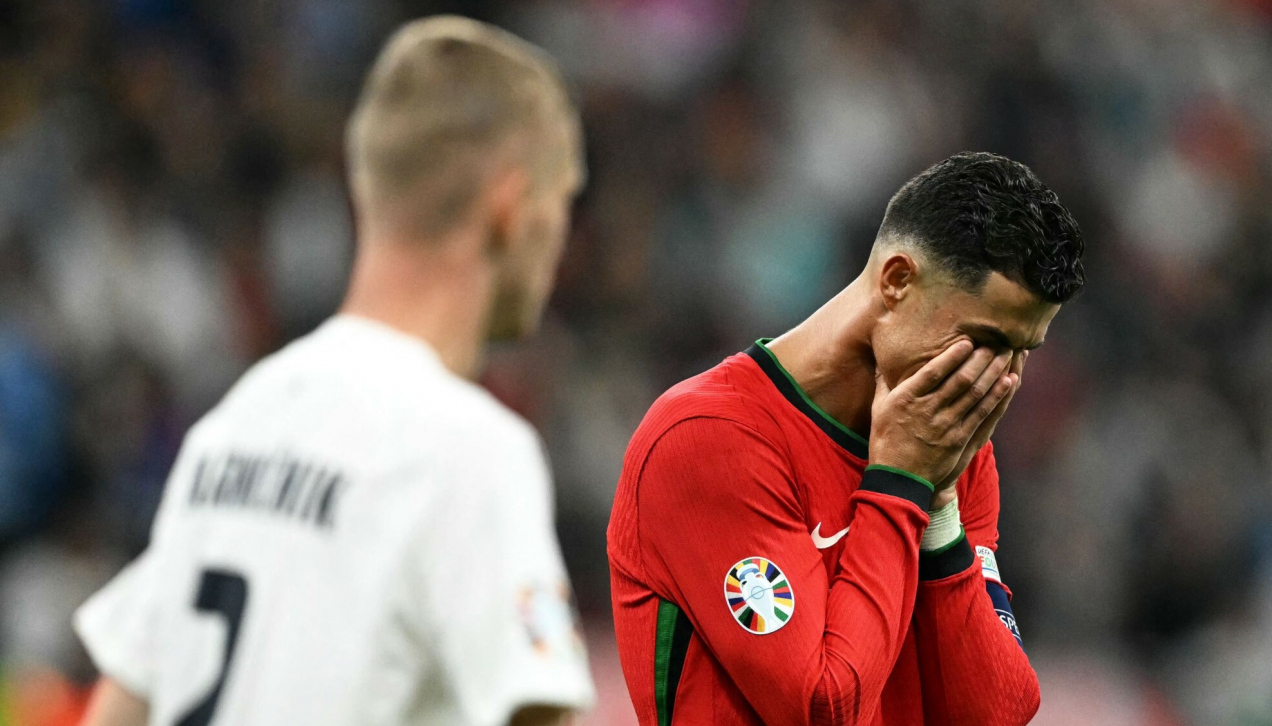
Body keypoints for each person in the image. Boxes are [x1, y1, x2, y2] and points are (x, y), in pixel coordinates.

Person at [74, 16, 592, 726]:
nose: (562, 239)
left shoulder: (238, 423)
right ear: (510, 206)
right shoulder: (469, 453)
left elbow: (120, 705)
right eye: (562, 201)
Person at [608, 152, 1085, 725]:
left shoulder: (953, 451)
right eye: (986, 341)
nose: (1001, 379)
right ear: (897, 281)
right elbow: (823, 708)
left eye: (1022, 352)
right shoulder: (708, 439)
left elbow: (996, 715)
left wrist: (939, 511)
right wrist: (900, 482)